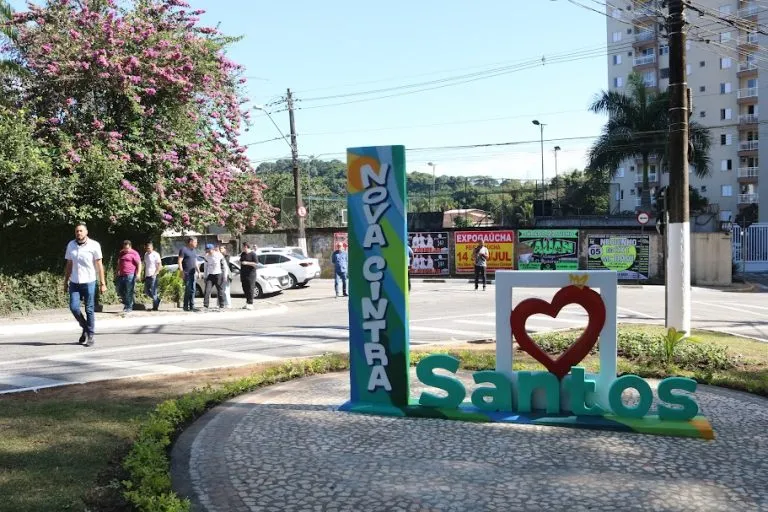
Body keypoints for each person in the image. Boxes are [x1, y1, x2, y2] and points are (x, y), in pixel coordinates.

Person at [64, 222, 106, 347]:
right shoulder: (71, 245)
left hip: (89, 281)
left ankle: (91, 335)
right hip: (75, 282)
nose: (79, 233)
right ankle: (86, 328)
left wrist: (102, 283)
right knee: (74, 308)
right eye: (77, 231)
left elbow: (99, 265)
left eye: (81, 231)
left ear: (86, 232)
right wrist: (65, 281)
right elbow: (69, 265)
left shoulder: (94, 245)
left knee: (89, 309)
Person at [116, 240, 141, 314]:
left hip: (130, 274)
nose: (126, 250)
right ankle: (128, 303)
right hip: (122, 274)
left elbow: (139, 264)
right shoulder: (121, 253)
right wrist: (117, 270)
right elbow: (119, 262)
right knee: (119, 290)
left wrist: (138, 273)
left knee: (128, 291)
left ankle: (128, 306)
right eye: (125, 248)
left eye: (127, 248)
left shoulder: (134, 253)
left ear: (130, 247)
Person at [178, 237, 199, 312]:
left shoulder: (194, 251)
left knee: (193, 290)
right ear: (190, 242)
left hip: (192, 273)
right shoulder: (183, 250)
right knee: (188, 289)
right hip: (186, 273)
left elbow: (195, 262)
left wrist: (198, 271)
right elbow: (180, 261)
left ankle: (192, 306)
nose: (196, 244)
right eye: (195, 242)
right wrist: (181, 272)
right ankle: (185, 306)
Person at [203, 244, 225, 310]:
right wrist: (205, 276)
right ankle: (205, 305)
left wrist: (224, 275)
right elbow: (205, 267)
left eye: (208, 250)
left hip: (218, 274)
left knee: (220, 290)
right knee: (207, 290)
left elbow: (224, 265)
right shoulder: (206, 256)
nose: (207, 251)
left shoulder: (219, 255)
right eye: (206, 250)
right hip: (210, 275)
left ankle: (222, 305)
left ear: (212, 249)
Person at [143, 241, 162, 311]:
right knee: (146, 291)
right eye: (147, 248)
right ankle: (157, 299)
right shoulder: (146, 255)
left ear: (152, 247)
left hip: (154, 275)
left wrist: (155, 273)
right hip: (147, 275)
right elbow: (146, 265)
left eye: (149, 248)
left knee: (154, 291)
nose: (148, 249)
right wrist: (144, 275)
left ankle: (155, 307)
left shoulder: (156, 254)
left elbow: (159, 265)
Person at [239, 242, 259, 309]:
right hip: (243, 274)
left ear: (246, 247)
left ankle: (251, 303)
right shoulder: (243, 254)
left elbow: (256, 264)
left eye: (242, 247)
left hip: (251, 274)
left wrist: (247, 263)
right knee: (245, 289)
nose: (242, 248)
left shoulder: (253, 254)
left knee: (250, 288)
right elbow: (241, 261)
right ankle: (247, 302)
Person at [220, 244, 232, 308]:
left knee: (226, 290)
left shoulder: (227, 256)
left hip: (226, 274)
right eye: (220, 248)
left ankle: (228, 304)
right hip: (220, 274)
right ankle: (220, 303)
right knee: (220, 290)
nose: (220, 250)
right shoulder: (219, 256)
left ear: (225, 249)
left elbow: (225, 265)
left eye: (221, 248)